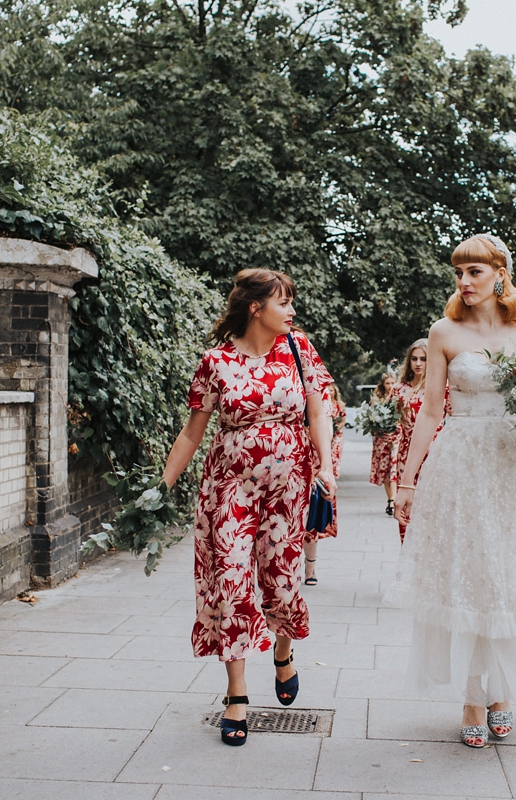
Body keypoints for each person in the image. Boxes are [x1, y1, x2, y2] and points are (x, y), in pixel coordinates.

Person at [389, 234, 516, 749]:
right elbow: (432, 411)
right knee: (471, 576)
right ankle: (471, 696)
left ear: (500, 272)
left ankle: (502, 693)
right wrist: (407, 480)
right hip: (462, 463)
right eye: (459, 273)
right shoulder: (444, 332)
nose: (464, 282)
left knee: (508, 577)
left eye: (474, 272)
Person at [160, 268, 336, 747]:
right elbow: (193, 432)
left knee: (281, 581)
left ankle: (283, 649)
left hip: (289, 488)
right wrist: (161, 487)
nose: (293, 311)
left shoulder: (299, 349)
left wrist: (326, 466)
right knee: (231, 582)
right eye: (284, 302)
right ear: (256, 307)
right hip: (229, 488)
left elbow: (318, 411)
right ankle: (236, 694)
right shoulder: (216, 361)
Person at [391, 339, 448, 543]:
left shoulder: (444, 388)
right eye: (414, 358)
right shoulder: (398, 389)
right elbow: (393, 421)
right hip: (407, 453)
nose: (418, 363)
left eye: (423, 359)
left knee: (433, 507)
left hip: (435, 452)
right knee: (407, 507)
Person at [304, 382, 346, 585]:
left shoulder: (319, 391)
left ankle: (310, 567)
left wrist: (325, 467)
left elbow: (326, 429)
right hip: (281, 457)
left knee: (311, 516)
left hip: (311, 459)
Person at [368, 373, 399, 516]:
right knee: (386, 471)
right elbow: (371, 421)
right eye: (388, 383)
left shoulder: (399, 398)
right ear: (383, 385)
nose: (391, 386)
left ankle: (394, 500)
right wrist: (380, 432)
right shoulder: (376, 401)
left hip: (397, 438)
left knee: (394, 469)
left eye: (393, 383)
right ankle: (390, 499)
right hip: (382, 440)